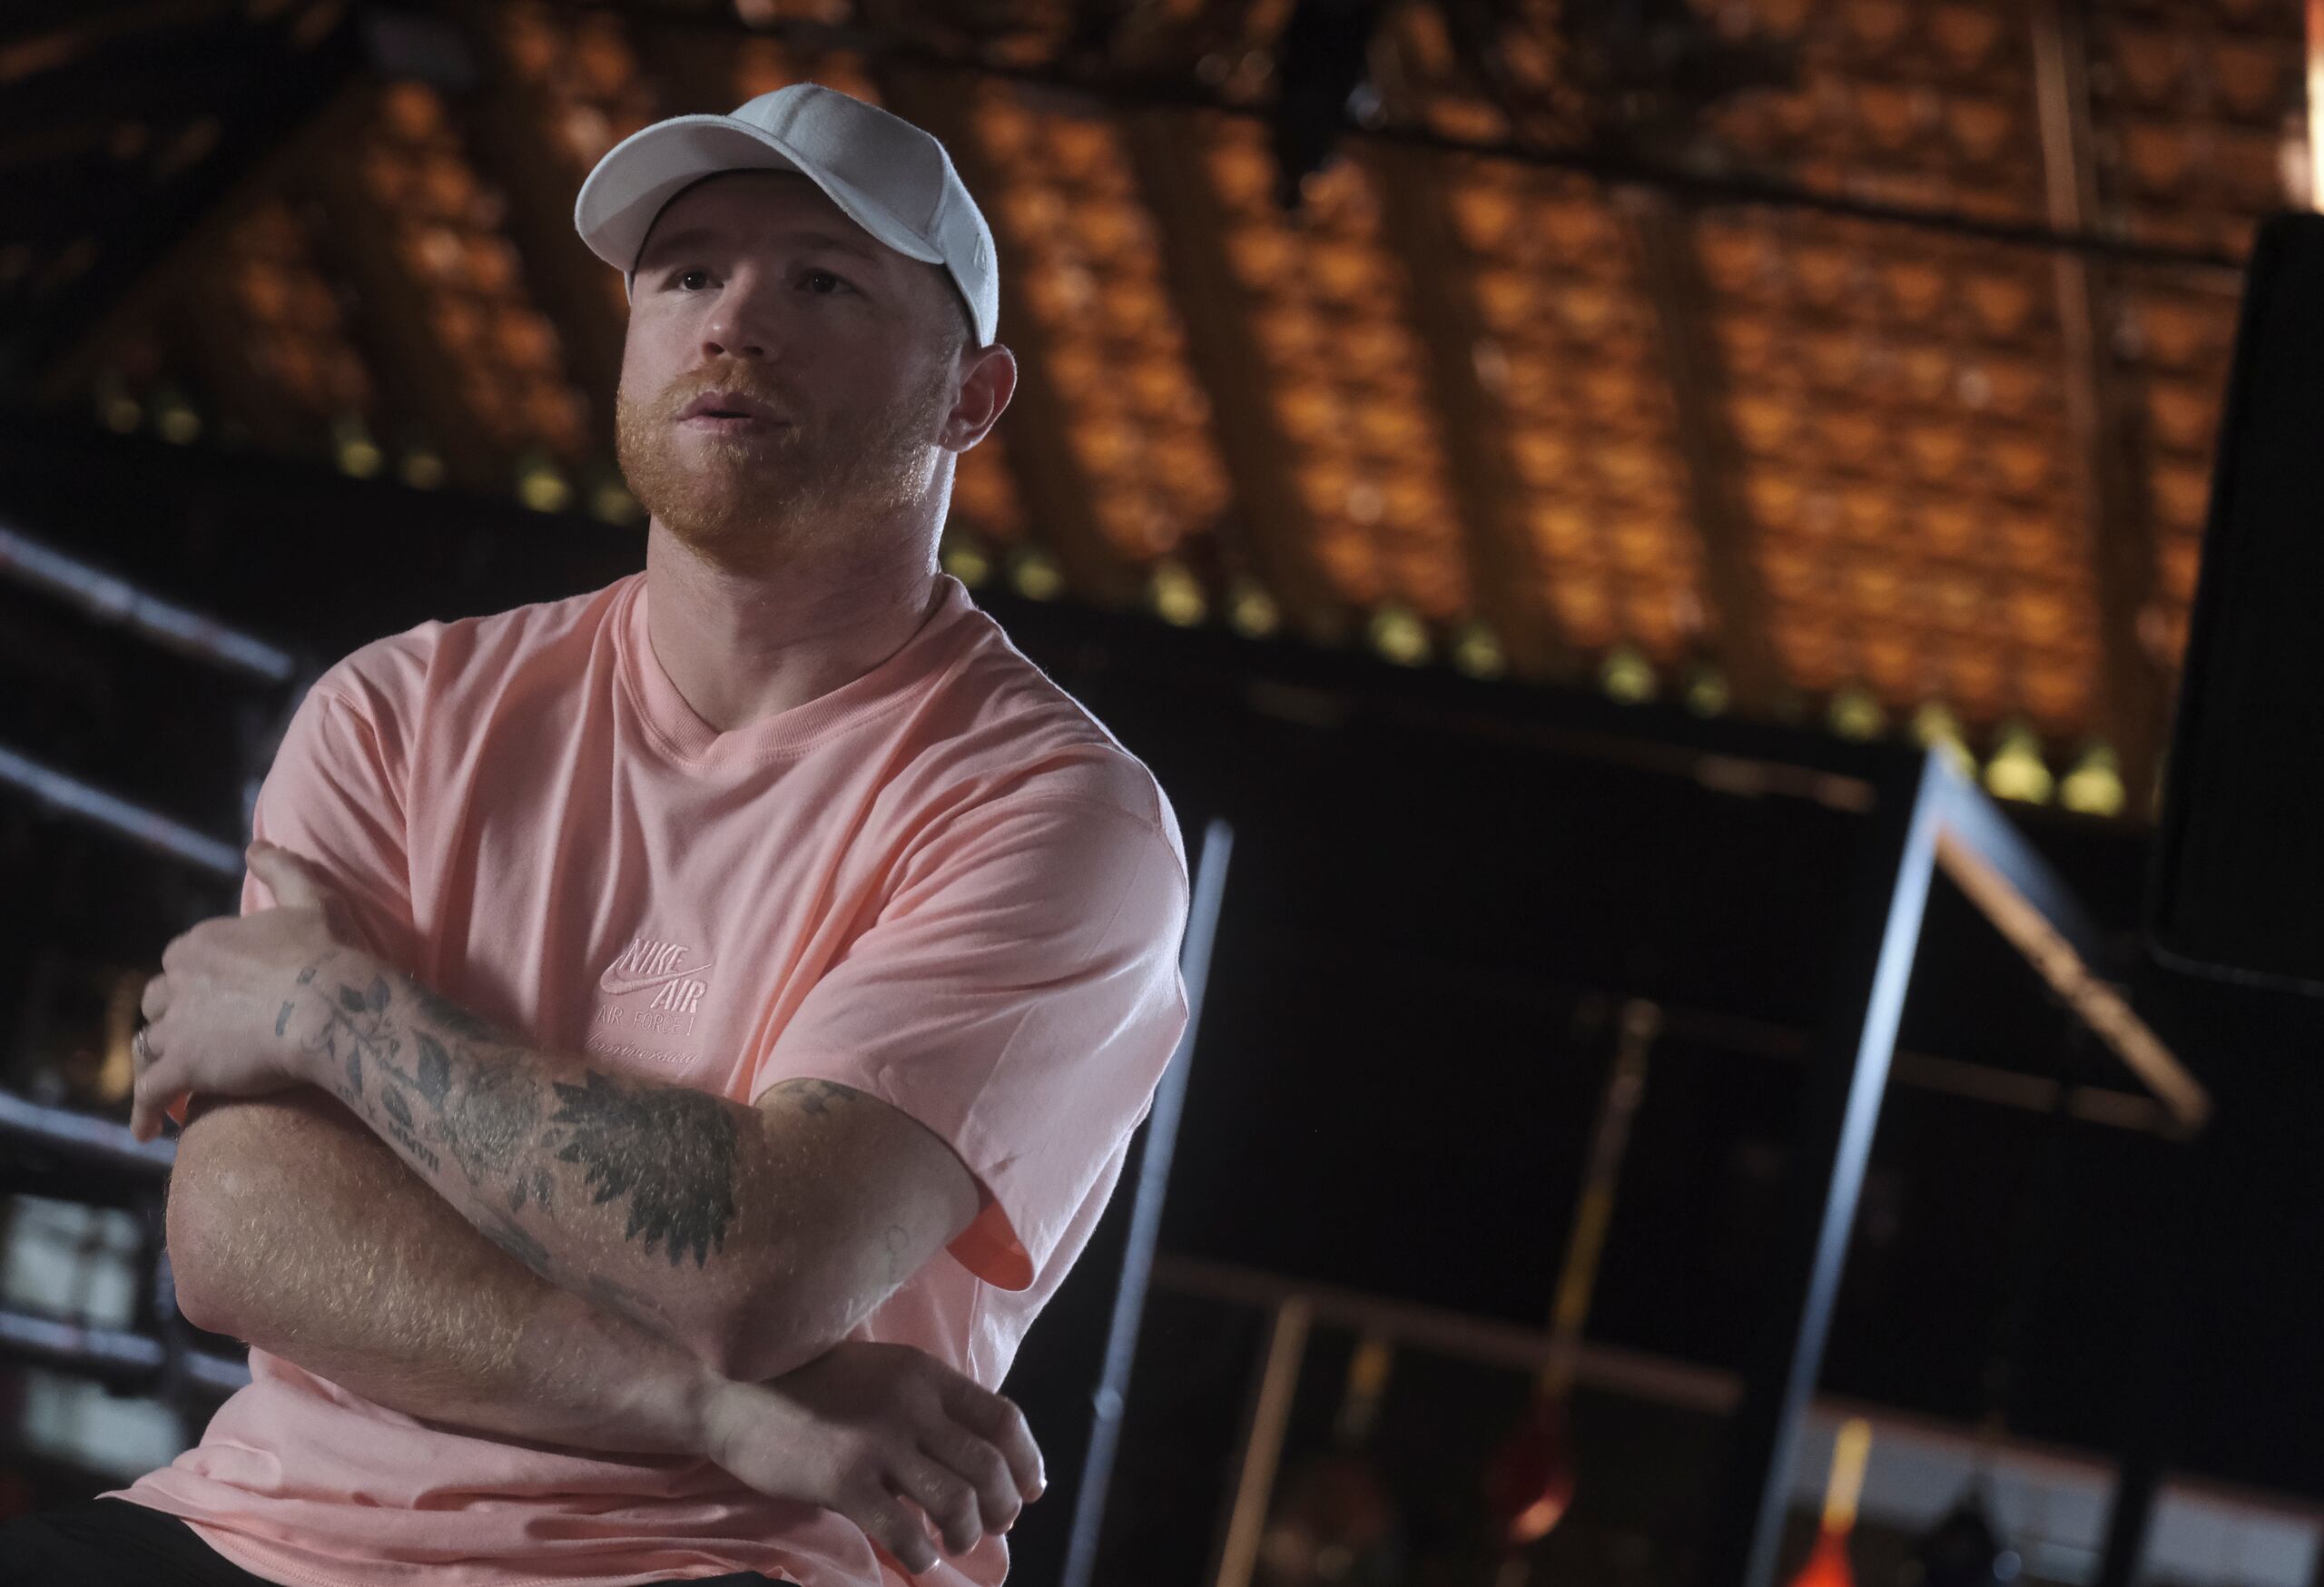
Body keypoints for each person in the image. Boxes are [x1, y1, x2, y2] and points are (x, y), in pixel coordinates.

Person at [0, 84, 1191, 1587]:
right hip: (263, 1529)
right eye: (688, 273)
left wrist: (318, 1003)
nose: (733, 320)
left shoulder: (1054, 811)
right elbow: (238, 1227)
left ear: (973, 397)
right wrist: (704, 1401)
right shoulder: (403, 707)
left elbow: (762, 1264)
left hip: (712, 1563)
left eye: (823, 281)